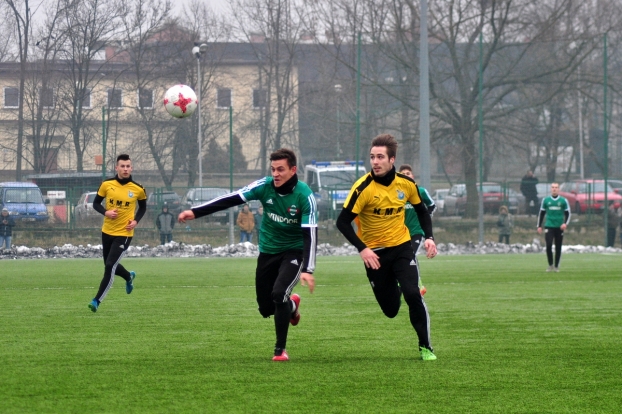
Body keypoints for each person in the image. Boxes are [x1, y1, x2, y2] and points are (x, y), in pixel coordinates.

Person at [178, 148, 317, 362]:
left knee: (279, 292)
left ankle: (280, 350)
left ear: (293, 170)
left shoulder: (304, 195)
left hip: (294, 251)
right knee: (266, 307)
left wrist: (308, 268)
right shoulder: (264, 187)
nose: (276, 174)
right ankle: (292, 306)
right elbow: (232, 198)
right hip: (268, 251)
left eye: (281, 169)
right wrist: (195, 212)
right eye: (273, 170)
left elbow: (310, 234)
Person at [336, 134, 438, 361]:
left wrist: (429, 237)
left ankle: (426, 347)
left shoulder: (406, 184)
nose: (375, 161)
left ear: (392, 159)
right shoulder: (363, 188)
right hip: (375, 255)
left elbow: (422, 211)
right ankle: (397, 286)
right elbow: (342, 222)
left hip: (402, 247)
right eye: (372, 157)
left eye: (380, 157)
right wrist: (362, 248)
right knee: (391, 310)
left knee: (414, 294)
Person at [88, 154, 147, 312]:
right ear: (117, 167)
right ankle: (128, 276)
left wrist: (135, 221)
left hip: (125, 233)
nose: (125, 169)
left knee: (109, 266)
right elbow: (95, 204)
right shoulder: (107, 184)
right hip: (107, 231)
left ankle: (96, 300)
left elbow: (143, 208)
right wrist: (106, 212)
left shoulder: (138, 189)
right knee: (110, 264)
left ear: (131, 168)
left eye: (128, 166)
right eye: (123, 166)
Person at [398, 164, 436, 296]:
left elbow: (432, 205)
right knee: (407, 257)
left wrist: (425, 216)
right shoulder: (398, 194)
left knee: (410, 255)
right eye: (403, 174)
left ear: (412, 176)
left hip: (416, 231)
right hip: (401, 233)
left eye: (408, 173)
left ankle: (412, 285)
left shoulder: (420, 191)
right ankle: (417, 285)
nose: (405, 176)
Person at [537, 182, 570, 272]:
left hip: (559, 227)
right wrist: (539, 226)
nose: (554, 189)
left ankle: (556, 266)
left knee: (558, 246)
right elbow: (542, 213)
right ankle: (550, 264)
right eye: (553, 187)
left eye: (556, 187)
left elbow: (568, 213)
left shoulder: (563, 201)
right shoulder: (546, 200)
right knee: (548, 245)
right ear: (551, 189)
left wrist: (565, 223)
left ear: (558, 189)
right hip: (549, 226)